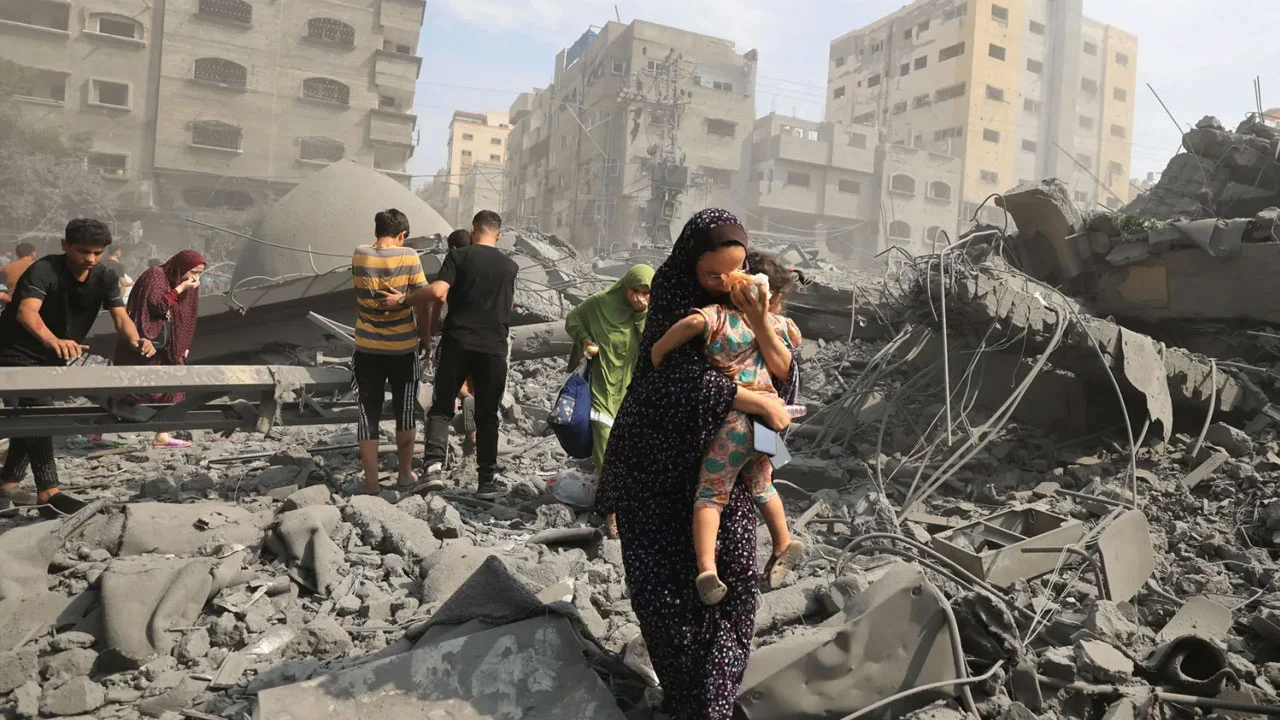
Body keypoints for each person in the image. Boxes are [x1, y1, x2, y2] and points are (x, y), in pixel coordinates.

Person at [597, 209, 794, 720]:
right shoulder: (673, 299)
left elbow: (785, 374)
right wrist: (754, 400)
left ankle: (713, 703)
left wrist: (758, 319)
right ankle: (688, 698)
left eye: (736, 269)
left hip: (729, 469)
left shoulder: (756, 306)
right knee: (668, 599)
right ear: (691, 266)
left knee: (734, 589)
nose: (726, 282)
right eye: (713, 274)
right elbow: (667, 376)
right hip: (658, 476)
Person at [650, 251, 805, 605]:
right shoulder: (782, 327)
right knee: (763, 485)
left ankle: (706, 568)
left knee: (711, 493)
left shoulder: (719, 318)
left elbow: (692, 324)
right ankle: (783, 541)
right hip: (768, 423)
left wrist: (659, 349)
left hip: (732, 423)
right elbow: (788, 361)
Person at [0, 219, 155, 517]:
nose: (90, 259)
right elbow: (26, 312)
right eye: (83, 251)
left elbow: (120, 317)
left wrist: (137, 339)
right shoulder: (45, 269)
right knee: (39, 410)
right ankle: (49, 492)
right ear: (65, 245)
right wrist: (53, 340)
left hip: (52, 353)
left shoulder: (105, 276)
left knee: (30, 414)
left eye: (97, 252)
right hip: (15, 349)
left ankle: (8, 483)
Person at [381, 210, 518, 499]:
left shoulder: (459, 257)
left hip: (458, 344)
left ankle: (433, 470)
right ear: (498, 235)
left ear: (473, 229)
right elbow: (509, 305)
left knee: (442, 409)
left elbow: (438, 292)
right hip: (494, 348)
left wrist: (404, 300)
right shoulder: (510, 267)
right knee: (487, 415)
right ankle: (487, 482)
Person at [564, 264, 654, 538]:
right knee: (606, 451)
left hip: (632, 392)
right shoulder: (600, 304)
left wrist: (641, 314)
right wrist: (586, 340)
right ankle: (612, 513)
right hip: (602, 390)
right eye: (635, 290)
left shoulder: (651, 313)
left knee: (632, 451)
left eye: (646, 292)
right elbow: (573, 320)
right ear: (625, 287)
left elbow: (653, 343)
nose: (640, 297)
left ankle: (632, 506)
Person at [345, 209, 428, 496]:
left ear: (376, 230)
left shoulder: (360, 254)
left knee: (368, 413)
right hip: (404, 349)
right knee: (405, 412)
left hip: (367, 348)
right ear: (402, 235)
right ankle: (404, 474)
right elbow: (423, 298)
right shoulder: (410, 256)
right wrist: (425, 335)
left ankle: (370, 482)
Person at [112, 250, 206, 449]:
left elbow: (188, 317)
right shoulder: (156, 275)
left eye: (199, 273)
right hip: (143, 341)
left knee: (173, 387)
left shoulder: (191, 285)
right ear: (181, 267)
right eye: (192, 272)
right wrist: (180, 288)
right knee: (132, 389)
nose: (195, 277)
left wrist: (184, 345)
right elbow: (156, 306)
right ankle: (96, 429)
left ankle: (162, 434)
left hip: (169, 346)